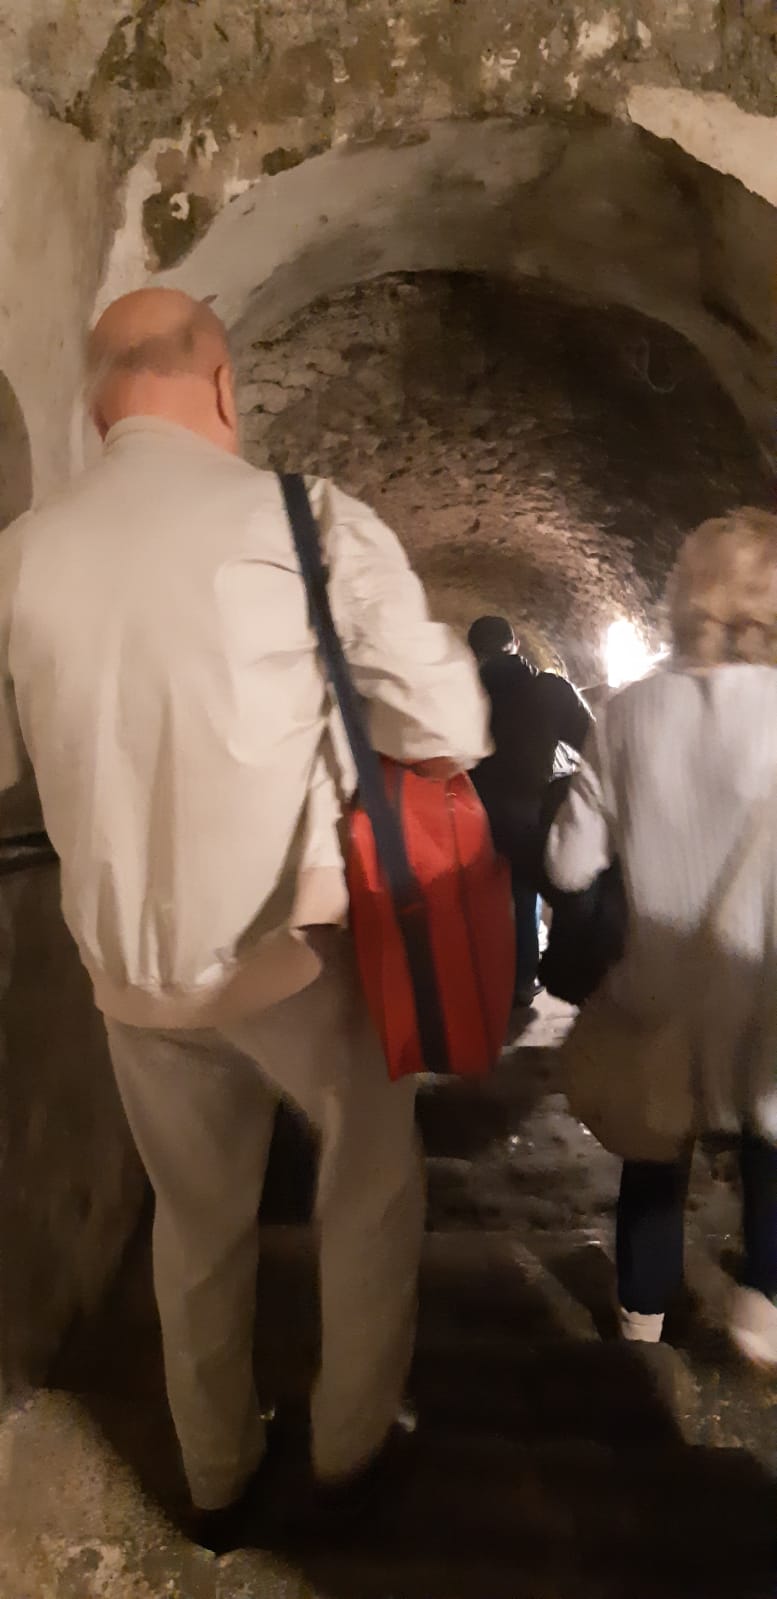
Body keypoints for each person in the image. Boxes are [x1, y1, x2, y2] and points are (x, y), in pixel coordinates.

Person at [0, 288, 491, 1548]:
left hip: (126, 977)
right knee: (368, 1185)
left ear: (95, 407)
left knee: (195, 1221)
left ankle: (218, 1473)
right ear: (221, 387)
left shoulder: (22, 555)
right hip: (291, 957)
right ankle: (351, 1449)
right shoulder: (304, 520)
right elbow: (446, 724)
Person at [546, 508, 777, 1364]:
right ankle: (762, 1305)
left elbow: (568, 862)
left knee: (653, 1150)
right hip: (764, 986)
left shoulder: (627, 712)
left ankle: (641, 1316)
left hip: (659, 985)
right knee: (770, 1141)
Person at [468, 614, 592, 1006]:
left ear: (473, 652)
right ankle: (522, 978)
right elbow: (592, 743)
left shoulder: (463, 691)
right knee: (524, 892)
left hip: (470, 811)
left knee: (474, 895)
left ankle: (476, 977)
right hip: (527, 807)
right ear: (516, 643)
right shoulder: (549, 689)